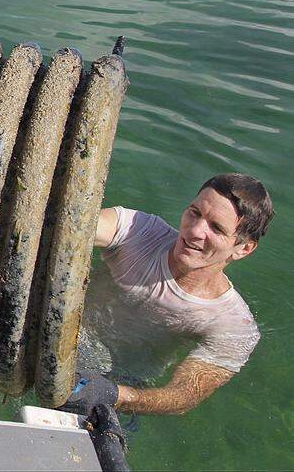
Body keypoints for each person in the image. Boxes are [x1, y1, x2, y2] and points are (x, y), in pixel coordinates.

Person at [65, 173, 271, 415]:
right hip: (65, 335)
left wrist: (114, 395)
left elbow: (184, 396)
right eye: (194, 212)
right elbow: (73, 226)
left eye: (215, 228)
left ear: (244, 248)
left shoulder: (232, 325)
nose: (194, 231)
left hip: (123, 382)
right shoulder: (139, 232)